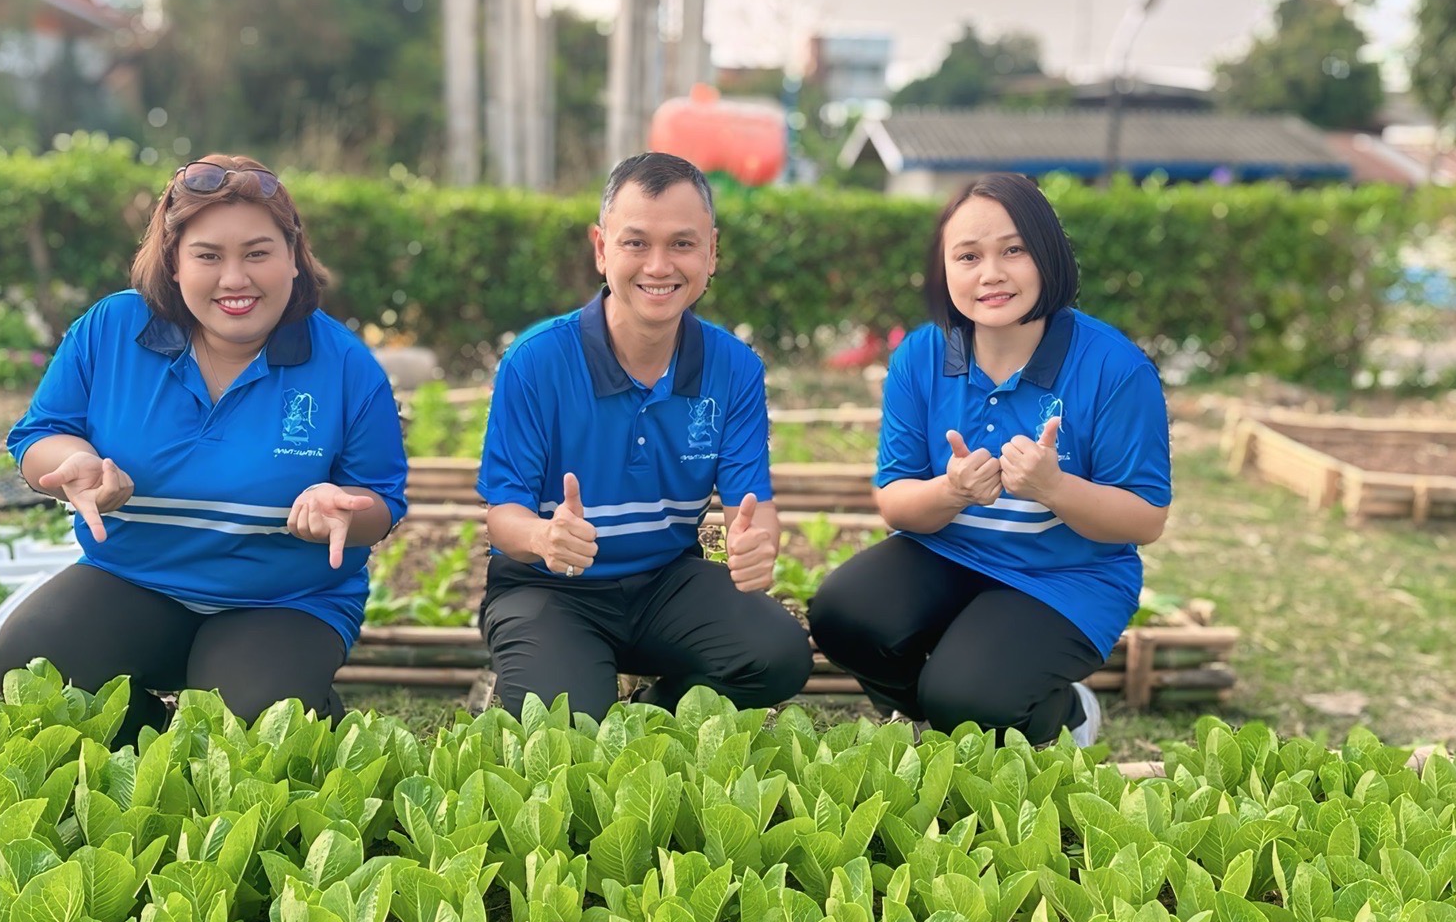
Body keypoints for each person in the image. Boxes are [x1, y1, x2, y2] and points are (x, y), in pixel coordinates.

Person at [0, 155, 408, 737]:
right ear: (174, 261)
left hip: (281, 599)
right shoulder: (111, 330)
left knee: (256, 721)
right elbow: (39, 435)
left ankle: (300, 706)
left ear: (293, 258)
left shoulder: (343, 364)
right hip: (134, 580)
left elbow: (383, 501)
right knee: (33, 661)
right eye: (208, 256)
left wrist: (344, 509)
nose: (234, 279)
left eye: (257, 253)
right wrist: (73, 463)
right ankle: (142, 740)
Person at [808, 172, 1170, 744]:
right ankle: (937, 714)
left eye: (1014, 250)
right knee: (841, 613)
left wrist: (1056, 488)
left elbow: (1146, 519)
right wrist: (949, 491)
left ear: (1047, 255)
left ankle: (1066, 713)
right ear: (943, 269)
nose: (991, 273)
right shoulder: (923, 356)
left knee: (968, 695)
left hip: (1064, 578)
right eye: (968, 256)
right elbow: (895, 502)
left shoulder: (1115, 368)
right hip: (948, 553)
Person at [476, 150, 812, 719]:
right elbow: (502, 516)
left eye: (682, 244)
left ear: (712, 252)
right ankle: (577, 679)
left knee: (777, 654)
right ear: (602, 249)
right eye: (636, 243)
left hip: (666, 583)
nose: (659, 266)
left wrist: (757, 547)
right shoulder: (536, 360)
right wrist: (543, 539)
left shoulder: (734, 368)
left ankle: (654, 710)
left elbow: (750, 507)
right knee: (565, 727)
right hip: (550, 589)